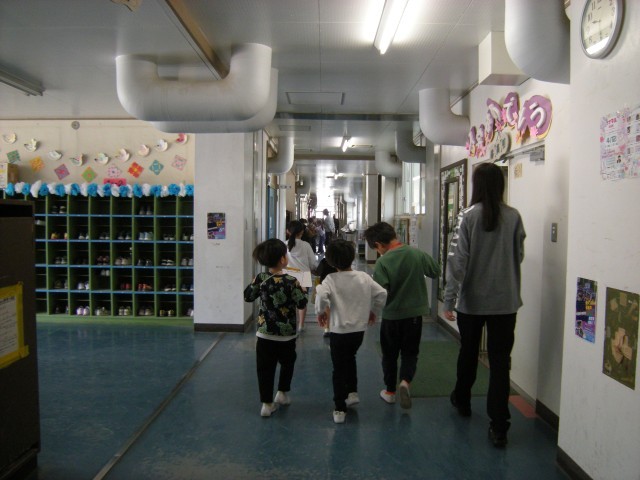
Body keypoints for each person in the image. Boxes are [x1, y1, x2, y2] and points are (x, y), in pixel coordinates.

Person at [443, 162, 526, 448]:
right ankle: (499, 426)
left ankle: (463, 400)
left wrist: (449, 298)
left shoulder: (467, 216)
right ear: (501, 185)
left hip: (472, 302)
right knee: (501, 362)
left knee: (468, 352)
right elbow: (519, 255)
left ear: (476, 185)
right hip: (506, 302)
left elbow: (457, 262)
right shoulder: (514, 217)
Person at [363, 222, 440, 410]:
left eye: (376, 249)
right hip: (414, 316)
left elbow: (381, 293)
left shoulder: (383, 262)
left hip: (391, 317)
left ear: (379, 245)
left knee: (389, 354)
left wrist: (372, 311)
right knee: (410, 352)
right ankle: (405, 382)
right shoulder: (416, 253)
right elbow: (435, 270)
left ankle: (390, 392)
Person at [315, 239, 387, 423]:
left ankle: (340, 408)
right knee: (350, 358)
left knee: (338, 368)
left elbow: (321, 294)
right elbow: (382, 294)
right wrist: (374, 311)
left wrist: (320, 312)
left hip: (338, 331)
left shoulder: (331, 279)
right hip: (358, 331)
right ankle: (352, 392)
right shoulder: (363, 277)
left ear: (331, 261)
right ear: (352, 257)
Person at [244, 238, 308, 418]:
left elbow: (248, 297)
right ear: (282, 259)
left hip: (265, 333)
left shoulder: (261, 279)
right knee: (288, 364)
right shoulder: (292, 280)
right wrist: (303, 291)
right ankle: (282, 393)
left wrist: (253, 283)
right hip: (287, 335)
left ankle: (266, 404)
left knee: (265, 368)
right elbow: (302, 304)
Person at [287, 220, 318, 331]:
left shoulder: (284, 245)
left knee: (289, 301)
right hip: (304, 275)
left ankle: (291, 323)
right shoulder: (306, 245)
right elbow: (313, 263)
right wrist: (314, 269)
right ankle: (301, 325)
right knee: (302, 301)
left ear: (287, 231)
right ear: (302, 232)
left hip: (288, 276)